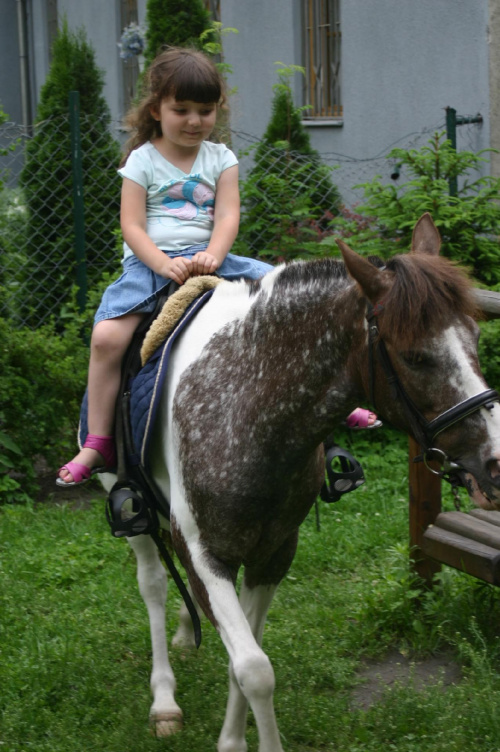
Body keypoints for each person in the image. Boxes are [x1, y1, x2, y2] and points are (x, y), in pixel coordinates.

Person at [57, 47, 273, 486]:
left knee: (288, 296)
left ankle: (335, 403)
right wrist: (161, 262)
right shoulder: (141, 161)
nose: (194, 121)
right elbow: (132, 225)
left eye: (205, 110)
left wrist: (213, 253)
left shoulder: (221, 159)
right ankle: (97, 441)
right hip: (149, 267)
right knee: (106, 337)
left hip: (212, 257)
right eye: (182, 110)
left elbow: (228, 214)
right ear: (156, 109)